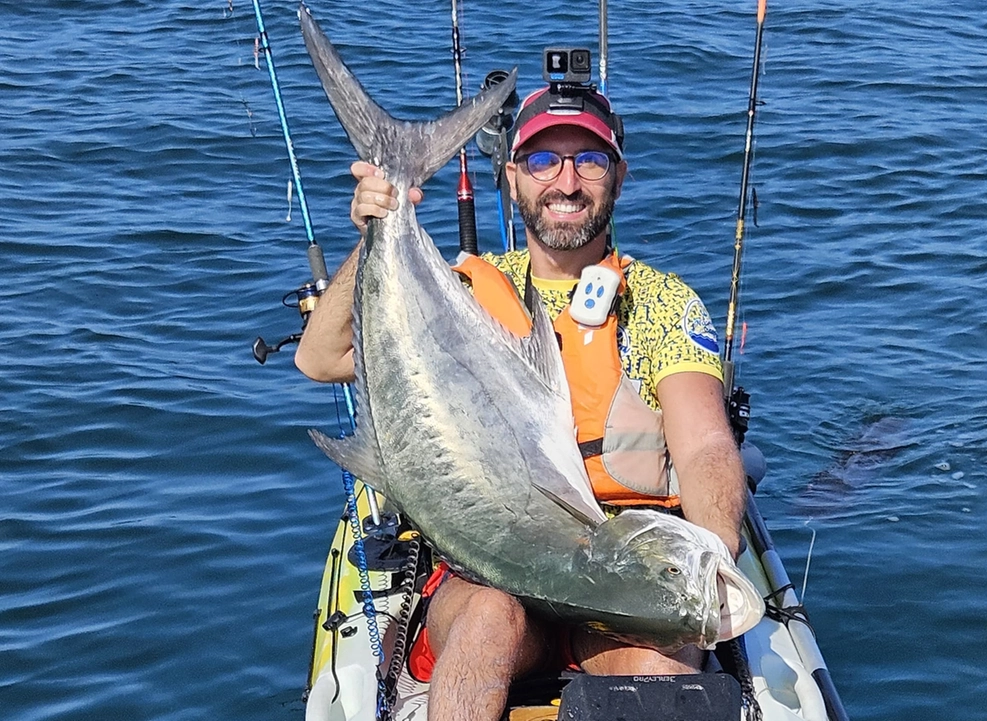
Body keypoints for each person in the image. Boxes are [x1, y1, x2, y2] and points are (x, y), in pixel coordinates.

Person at [294, 84, 747, 721]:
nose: (566, 181)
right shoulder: (468, 289)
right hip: (492, 563)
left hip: (623, 567)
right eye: (543, 162)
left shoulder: (660, 304)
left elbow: (703, 443)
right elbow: (320, 358)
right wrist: (375, 231)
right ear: (512, 179)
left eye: (588, 160)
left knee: (659, 664)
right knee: (486, 618)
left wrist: (716, 552)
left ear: (618, 175)